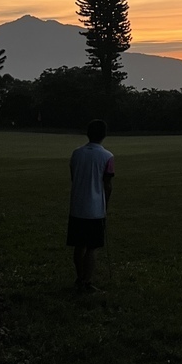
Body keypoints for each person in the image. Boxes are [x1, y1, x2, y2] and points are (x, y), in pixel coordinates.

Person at [67, 119, 115, 292]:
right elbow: (107, 184)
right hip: (94, 209)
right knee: (92, 247)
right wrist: (105, 206)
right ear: (104, 135)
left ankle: (79, 278)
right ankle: (86, 282)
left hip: (77, 206)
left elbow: (74, 177)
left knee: (79, 245)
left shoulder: (76, 153)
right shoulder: (107, 156)